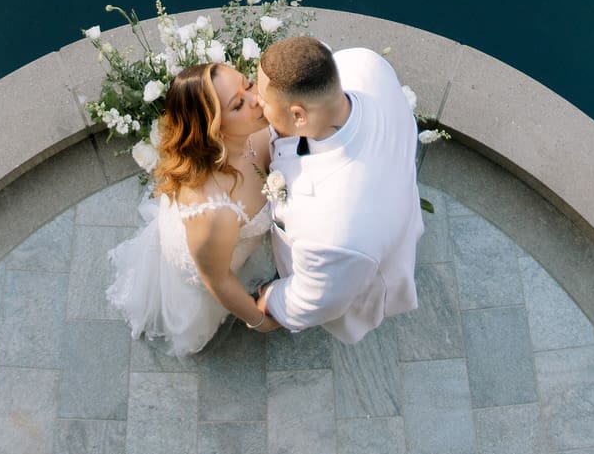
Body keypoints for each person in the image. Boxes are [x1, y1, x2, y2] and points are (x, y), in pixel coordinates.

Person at [252, 35, 423, 343]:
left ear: (298, 115)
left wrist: (272, 299)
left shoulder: (335, 229)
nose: (256, 102)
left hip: (355, 265)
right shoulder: (363, 63)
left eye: (264, 101)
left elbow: (317, 300)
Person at [102, 61, 281, 355]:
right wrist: (258, 320)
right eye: (238, 105)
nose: (256, 99)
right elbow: (219, 279)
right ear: (214, 130)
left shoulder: (249, 131)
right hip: (214, 261)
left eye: (248, 84)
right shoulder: (214, 210)